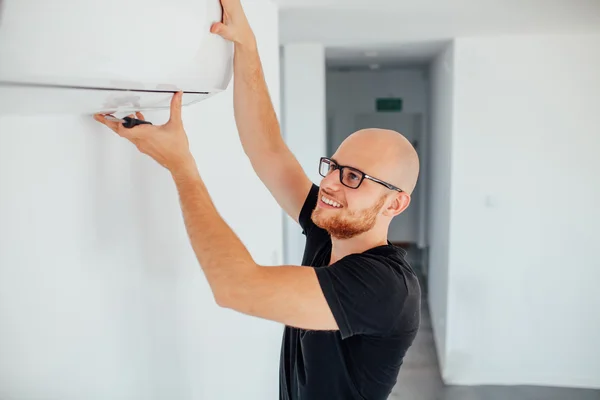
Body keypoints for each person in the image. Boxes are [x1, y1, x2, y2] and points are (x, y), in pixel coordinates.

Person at [94, 0, 421, 398]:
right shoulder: (330, 230)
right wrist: (247, 46)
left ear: (395, 203)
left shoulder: (385, 287)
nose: (332, 183)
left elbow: (236, 287)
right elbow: (268, 149)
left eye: (353, 177)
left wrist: (182, 167)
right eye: (333, 166)